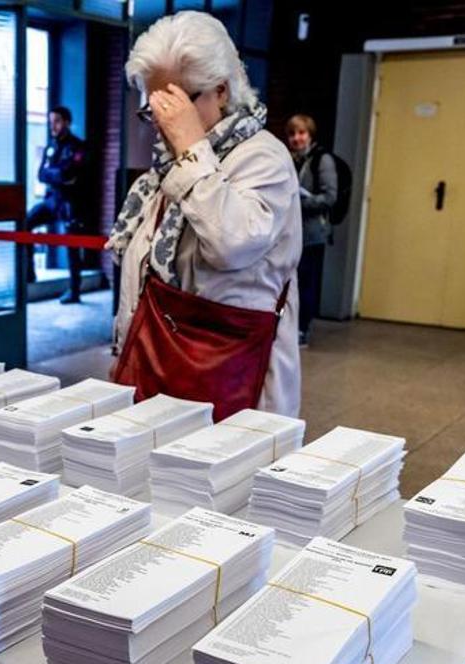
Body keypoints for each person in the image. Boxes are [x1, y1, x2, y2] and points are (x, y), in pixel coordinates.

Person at [109, 11, 302, 417]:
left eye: (175, 104)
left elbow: (231, 243)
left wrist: (193, 152)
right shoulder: (170, 165)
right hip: (158, 363)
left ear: (221, 90)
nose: (162, 121)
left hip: (230, 377)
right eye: (154, 106)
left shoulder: (263, 157)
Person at [286, 114, 337, 346]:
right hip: (291, 234)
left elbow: (329, 197)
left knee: (307, 282)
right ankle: (290, 326)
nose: (297, 138)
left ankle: (303, 328)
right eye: (292, 134)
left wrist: (299, 202)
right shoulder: (289, 160)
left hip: (312, 235)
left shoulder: (321, 161)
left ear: (310, 135)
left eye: (301, 133)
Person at [26, 106, 86, 303]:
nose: (53, 125)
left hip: (70, 202)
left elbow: (69, 174)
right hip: (52, 200)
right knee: (26, 222)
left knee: (72, 245)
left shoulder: (77, 147)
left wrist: (56, 174)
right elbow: (40, 174)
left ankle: (74, 291)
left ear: (67, 122)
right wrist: (57, 174)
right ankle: (29, 273)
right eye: (51, 121)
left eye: (57, 121)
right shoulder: (51, 146)